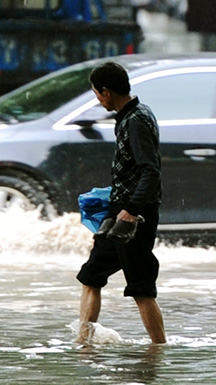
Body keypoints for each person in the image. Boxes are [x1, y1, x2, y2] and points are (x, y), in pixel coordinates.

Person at [76, 61, 166, 345]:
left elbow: (150, 170)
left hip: (133, 218)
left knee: (141, 288)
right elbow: (134, 170)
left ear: (105, 92)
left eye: (96, 94)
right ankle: (83, 342)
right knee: (91, 275)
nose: (97, 100)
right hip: (120, 212)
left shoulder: (136, 121)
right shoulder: (135, 114)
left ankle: (159, 349)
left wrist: (131, 209)